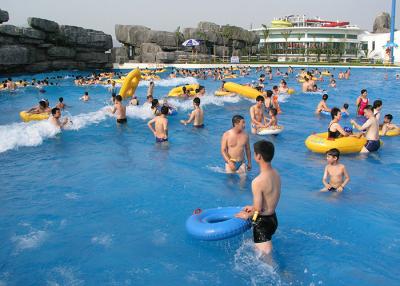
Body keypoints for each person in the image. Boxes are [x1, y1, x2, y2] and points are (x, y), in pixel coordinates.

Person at [235, 140, 280, 256]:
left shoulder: (257, 181)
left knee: (267, 263)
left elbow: (258, 210)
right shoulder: (276, 174)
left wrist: (247, 215)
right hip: (273, 219)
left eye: (254, 153)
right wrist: (253, 207)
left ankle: (284, 274)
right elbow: (269, 198)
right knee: (261, 252)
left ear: (258, 156)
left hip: (262, 223)